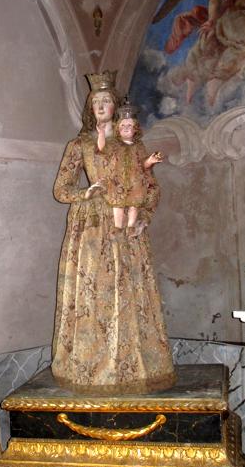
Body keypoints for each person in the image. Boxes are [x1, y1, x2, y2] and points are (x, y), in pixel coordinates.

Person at [51, 71, 176, 392]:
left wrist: (145, 214)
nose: (101, 106)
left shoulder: (132, 144)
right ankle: (91, 366)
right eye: (95, 101)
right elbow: (61, 189)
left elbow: (149, 185)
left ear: (116, 105)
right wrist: (86, 193)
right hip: (91, 225)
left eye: (106, 100)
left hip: (127, 225)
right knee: (94, 289)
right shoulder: (80, 145)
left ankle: (134, 367)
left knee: (130, 287)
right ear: (89, 107)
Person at [96, 100, 163, 236]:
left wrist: (150, 160)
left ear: (135, 129)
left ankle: (131, 226)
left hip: (135, 180)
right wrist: (101, 134)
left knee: (134, 204)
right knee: (118, 204)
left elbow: (143, 164)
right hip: (118, 179)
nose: (126, 128)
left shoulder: (139, 146)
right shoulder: (114, 144)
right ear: (118, 128)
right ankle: (118, 227)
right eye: (123, 125)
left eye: (129, 125)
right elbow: (102, 148)